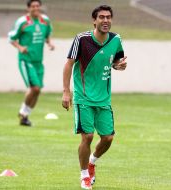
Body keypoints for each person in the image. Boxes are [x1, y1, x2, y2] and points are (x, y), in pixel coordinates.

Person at [62, 5, 127, 190]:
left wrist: (119, 66)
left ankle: (92, 162)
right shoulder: (82, 39)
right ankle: (84, 176)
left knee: (108, 139)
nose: (105, 20)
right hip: (83, 97)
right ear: (94, 20)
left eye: (108, 17)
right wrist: (66, 91)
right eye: (101, 17)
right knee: (88, 136)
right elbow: (68, 65)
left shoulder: (116, 39)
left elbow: (116, 61)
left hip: (104, 99)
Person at [8, 0, 54, 126]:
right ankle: (22, 112)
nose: (35, 8)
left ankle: (25, 117)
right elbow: (11, 38)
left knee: (37, 91)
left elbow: (48, 34)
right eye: (33, 6)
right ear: (28, 8)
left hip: (38, 61)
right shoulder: (22, 22)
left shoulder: (45, 21)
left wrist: (49, 43)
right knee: (35, 88)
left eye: (37, 6)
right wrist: (20, 47)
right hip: (26, 60)